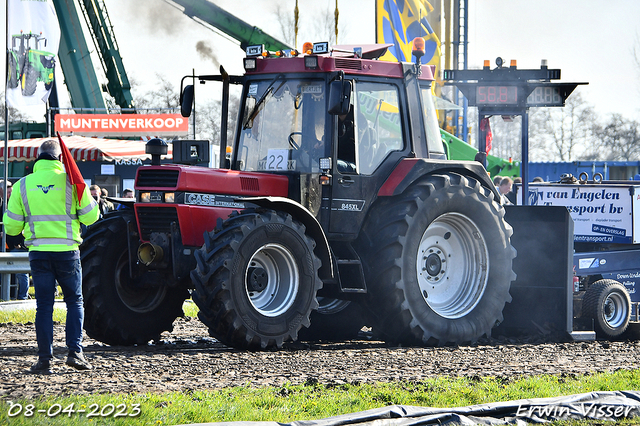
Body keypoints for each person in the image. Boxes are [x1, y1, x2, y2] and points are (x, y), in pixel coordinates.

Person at [3, 139, 100, 374]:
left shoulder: (22, 185)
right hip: (67, 253)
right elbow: (91, 218)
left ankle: (44, 359)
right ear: (60, 159)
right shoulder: (72, 182)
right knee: (74, 302)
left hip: (39, 253)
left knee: (43, 306)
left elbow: (12, 228)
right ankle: (75, 353)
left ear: (38, 158)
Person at [0, 180, 29, 300]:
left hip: (18, 244)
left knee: (21, 273)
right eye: (7, 192)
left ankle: (21, 296)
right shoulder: (2, 205)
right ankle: (9, 295)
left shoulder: (18, 203)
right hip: (7, 245)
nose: (10, 195)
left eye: (11, 192)